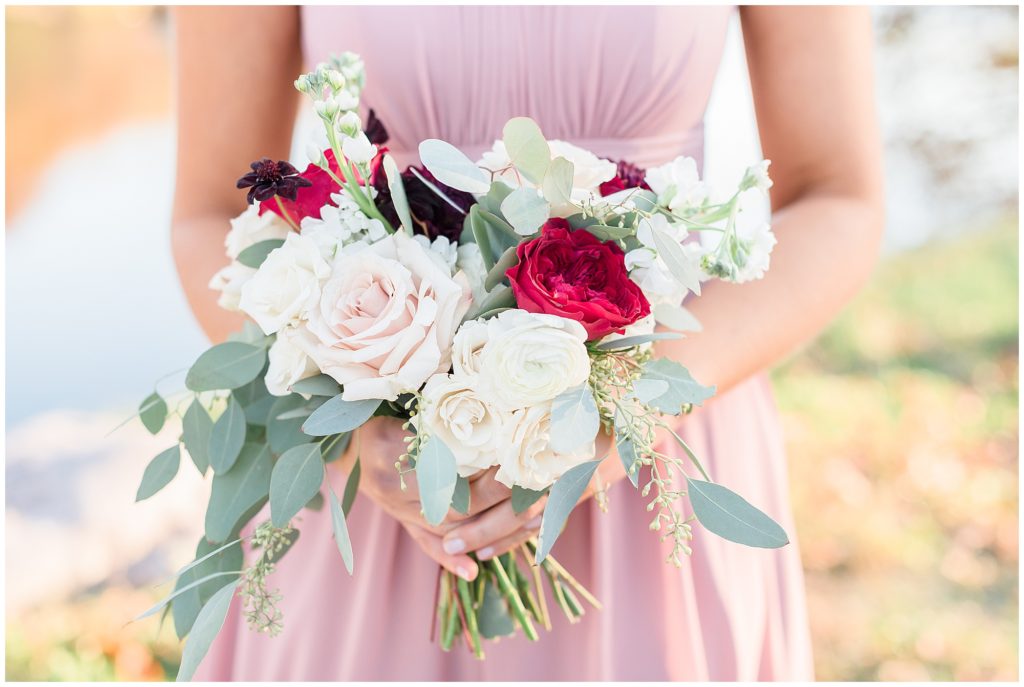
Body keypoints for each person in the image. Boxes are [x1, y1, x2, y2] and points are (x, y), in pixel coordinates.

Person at [172, 6, 884, 680]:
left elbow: (839, 197)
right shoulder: (366, 445)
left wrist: (628, 405)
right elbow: (209, 211)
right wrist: (356, 432)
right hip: (379, 476)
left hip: (654, 444)